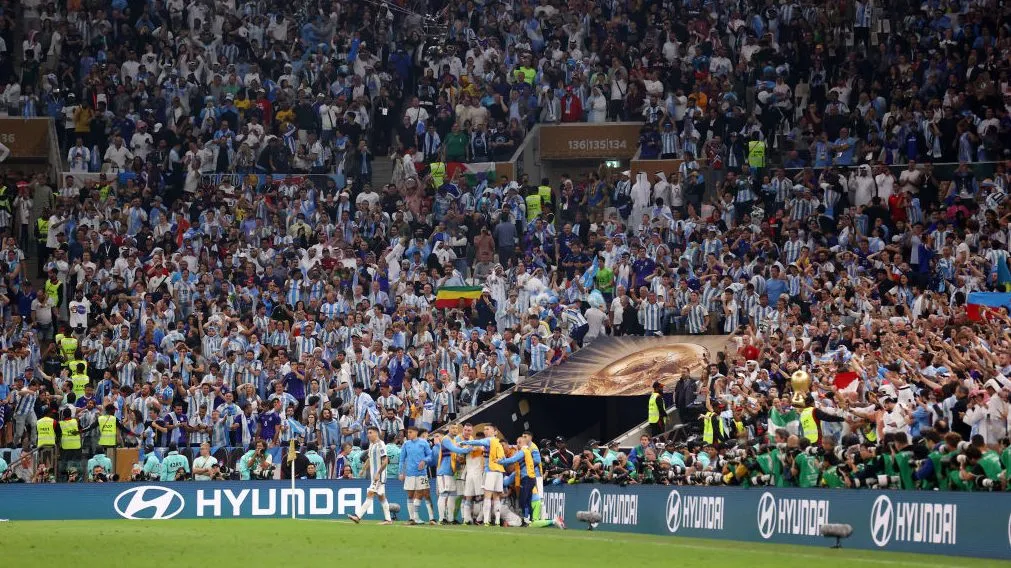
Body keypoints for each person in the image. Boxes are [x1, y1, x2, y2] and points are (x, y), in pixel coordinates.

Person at [460, 424, 507, 527]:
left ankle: (485, 521)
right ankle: (497, 521)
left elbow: (479, 442)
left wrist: (465, 442)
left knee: (487, 496)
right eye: (484, 429)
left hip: (490, 471)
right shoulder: (498, 443)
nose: (485, 431)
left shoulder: (489, 440)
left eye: (487, 429)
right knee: (496, 498)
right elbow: (503, 458)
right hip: (499, 472)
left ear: (494, 432)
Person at [348, 426, 393, 525]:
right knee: (381, 497)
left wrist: (378, 473)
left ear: (376, 433)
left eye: (370, 432)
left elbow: (385, 461)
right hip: (375, 476)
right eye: (368, 433)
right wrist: (363, 469)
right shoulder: (372, 444)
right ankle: (388, 519)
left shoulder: (381, 444)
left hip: (379, 476)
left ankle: (358, 516)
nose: (368, 435)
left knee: (370, 493)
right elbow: (369, 458)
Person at [399, 425, 434, 524]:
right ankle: (412, 518)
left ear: (416, 433)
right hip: (409, 473)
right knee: (410, 495)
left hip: (422, 473)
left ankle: (430, 518)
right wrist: (401, 472)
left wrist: (424, 460)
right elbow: (401, 460)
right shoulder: (406, 444)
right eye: (408, 432)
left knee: (422, 494)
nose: (408, 434)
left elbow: (430, 455)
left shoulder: (424, 443)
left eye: (410, 432)